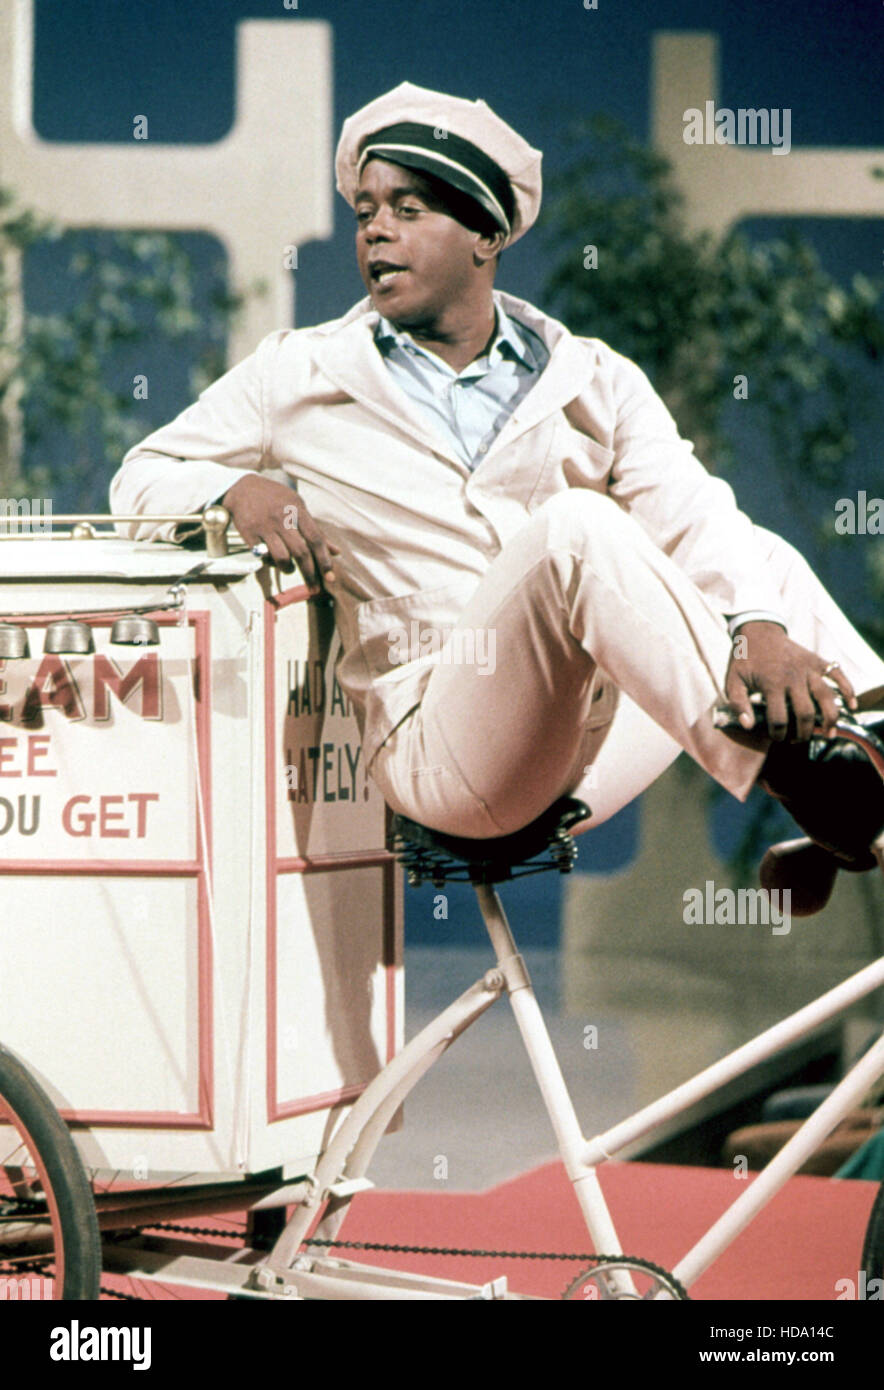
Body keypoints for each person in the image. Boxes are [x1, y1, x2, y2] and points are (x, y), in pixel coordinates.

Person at [110, 82, 884, 903]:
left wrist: (757, 624)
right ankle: (815, 783)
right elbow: (141, 478)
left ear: (485, 233)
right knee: (575, 531)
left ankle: (861, 794)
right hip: (444, 756)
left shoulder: (591, 373)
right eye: (368, 209)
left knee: (757, 561)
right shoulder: (297, 372)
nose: (375, 229)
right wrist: (231, 488)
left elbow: (689, 507)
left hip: (586, 737)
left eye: (408, 208)